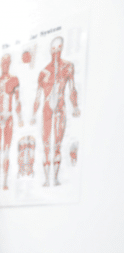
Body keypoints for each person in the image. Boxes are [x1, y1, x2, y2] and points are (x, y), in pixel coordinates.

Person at [31, 36, 81, 187]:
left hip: (60, 107)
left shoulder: (68, 67)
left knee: (57, 144)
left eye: (59, 49)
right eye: (54, 49)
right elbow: (38, 96)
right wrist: (33, 115)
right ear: (50, 50)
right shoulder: (43, 73)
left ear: (62, 48)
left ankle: (55, 178)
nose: (56, 53)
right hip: (47, 109)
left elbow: (72, 89)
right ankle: (47, 179)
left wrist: (75, 106)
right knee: (46, 144)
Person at [0, 54, 24, 191]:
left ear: (10, 63)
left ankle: (4, 182)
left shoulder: (14, 80)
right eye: (3, 62)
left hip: (8, 119)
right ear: (1, 64)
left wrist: (20, 119)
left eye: (7, 62)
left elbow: (17, 101)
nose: (5, 65)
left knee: (6, 152)